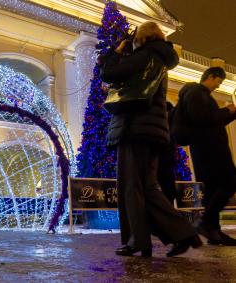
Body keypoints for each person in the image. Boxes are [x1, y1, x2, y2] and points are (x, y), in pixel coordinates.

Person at [100, 21, 202, 257]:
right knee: (147, 187)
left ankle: (138, 240)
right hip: (153, 132)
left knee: (131, 186)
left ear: (141, 38)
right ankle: (182, 234)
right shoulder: (160, 60)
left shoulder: (144, 56)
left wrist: (115, 52)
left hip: (134, 128)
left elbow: (109, 73)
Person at [174, 67, 236, 245]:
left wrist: (231, 114)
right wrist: (227, 111)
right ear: (211, 77)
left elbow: (209, 121)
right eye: (219, 81)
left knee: (212, 189)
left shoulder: (198, 95)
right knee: (230, 182)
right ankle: (206, 222)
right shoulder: (196, 92)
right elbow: (203, 119)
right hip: (211, 149)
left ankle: (214, 233)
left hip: (205, 149)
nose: (218, 86)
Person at [158, 102, 177, 204]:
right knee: (168, 193)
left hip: (167, 164)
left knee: (170, 193)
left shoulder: (169, 128)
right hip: (163, 164)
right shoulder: (162, 128)